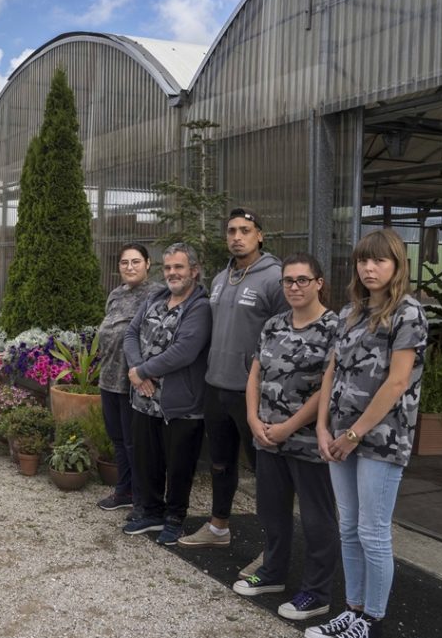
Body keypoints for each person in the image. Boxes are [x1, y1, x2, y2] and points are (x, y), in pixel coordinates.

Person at [305, 229, 427, 638]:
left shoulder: (408, 314)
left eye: (379, 260)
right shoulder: (349, 313)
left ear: (396, 266)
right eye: (363, 260)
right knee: (348, 527)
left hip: (379, 440)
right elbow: (331, 373)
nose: (369, 268)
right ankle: (352, 609)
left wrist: (352, 435)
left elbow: (396, 383)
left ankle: (372, 619)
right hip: (340, 437)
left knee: (373, 532)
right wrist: (322, 427)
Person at [232, 254, 340, 623]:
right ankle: (274, 573)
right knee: (271, 511)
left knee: (316, 519)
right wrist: (252, 418)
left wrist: (289, 426)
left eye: (302, 280)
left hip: (310, 443)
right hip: (268, 437)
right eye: (288, 281)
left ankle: (316, 592)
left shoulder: (334, 328)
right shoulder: (274, 324)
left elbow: (327, 390)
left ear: (319, 283)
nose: (294, 287)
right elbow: (255, 375)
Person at [181, 208, 286, 561]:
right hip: (217, 386)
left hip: (252, 393)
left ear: (260, 235)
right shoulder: (220, 278)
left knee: (265, 472)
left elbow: (287, 337)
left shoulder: (275, 278)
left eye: (245, 230)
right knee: (221, 463)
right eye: (231, 231)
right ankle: (217, 528)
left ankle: (273, 548)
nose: (237, 237)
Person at [121, 243, 212, 545]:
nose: (172, 273)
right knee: (148, 458)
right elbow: (131, 334)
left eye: (179, 267)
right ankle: (152, 512)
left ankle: (175, 518)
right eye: (168, 267)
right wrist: (137, 369)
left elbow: (184, 351)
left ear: (194, 271)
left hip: (180, 406)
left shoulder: (199, 307)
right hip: (144, 399)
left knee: (179, 464)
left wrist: (143, 371)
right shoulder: (155, 298)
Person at [95, 243, 159, 512]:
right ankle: (124, 490)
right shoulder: (116, 294)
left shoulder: (155, 294)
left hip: (132, 380)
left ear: (147, 264)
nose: (130, 267)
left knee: (135, 443)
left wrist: (145, 370)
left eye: (135, 262)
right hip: (108, 378)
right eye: (124, 263)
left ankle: (142, 497)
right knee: (118, 439)